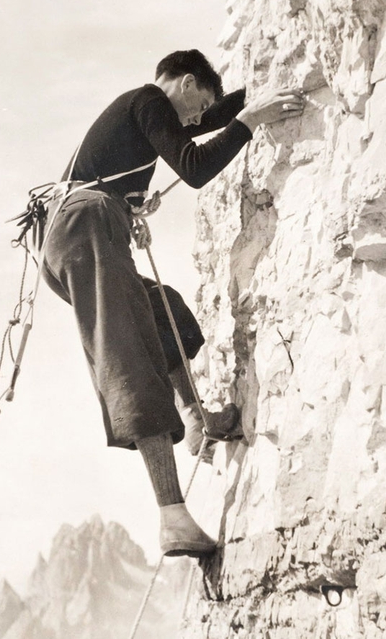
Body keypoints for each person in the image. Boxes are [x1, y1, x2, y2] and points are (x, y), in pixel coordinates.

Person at [41, 50, 304, 557]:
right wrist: (249, 120)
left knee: (163, 308)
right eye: (195, 108)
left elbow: (208, 124)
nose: (193, 121)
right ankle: (173, 516)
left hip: (79, 231)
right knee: (127, 355)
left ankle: (197, 418)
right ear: (184, 84)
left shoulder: (139, 118)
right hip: (85, 224)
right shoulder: (150, 100)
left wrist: (251, 97)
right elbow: (195, 165)